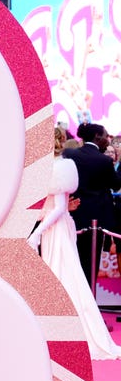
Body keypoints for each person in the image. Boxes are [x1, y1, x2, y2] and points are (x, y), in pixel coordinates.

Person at [28, 127, 121, 360]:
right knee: (62, 275)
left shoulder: (63, 165)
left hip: (56, 229)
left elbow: (58, 206)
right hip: (59, 225)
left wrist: (37, 232)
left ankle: (69, 333)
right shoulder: (62, 165)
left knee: (64, 277)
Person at [63, 123, 121, 283]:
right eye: (106, 135)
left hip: (74, 213)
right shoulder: (103, 160)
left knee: (75, 257)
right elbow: (116, 184)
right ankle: (89, 294)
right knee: (91, 260)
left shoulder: (69, 154)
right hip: (97, 217)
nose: (107, 139)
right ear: (97, 137)